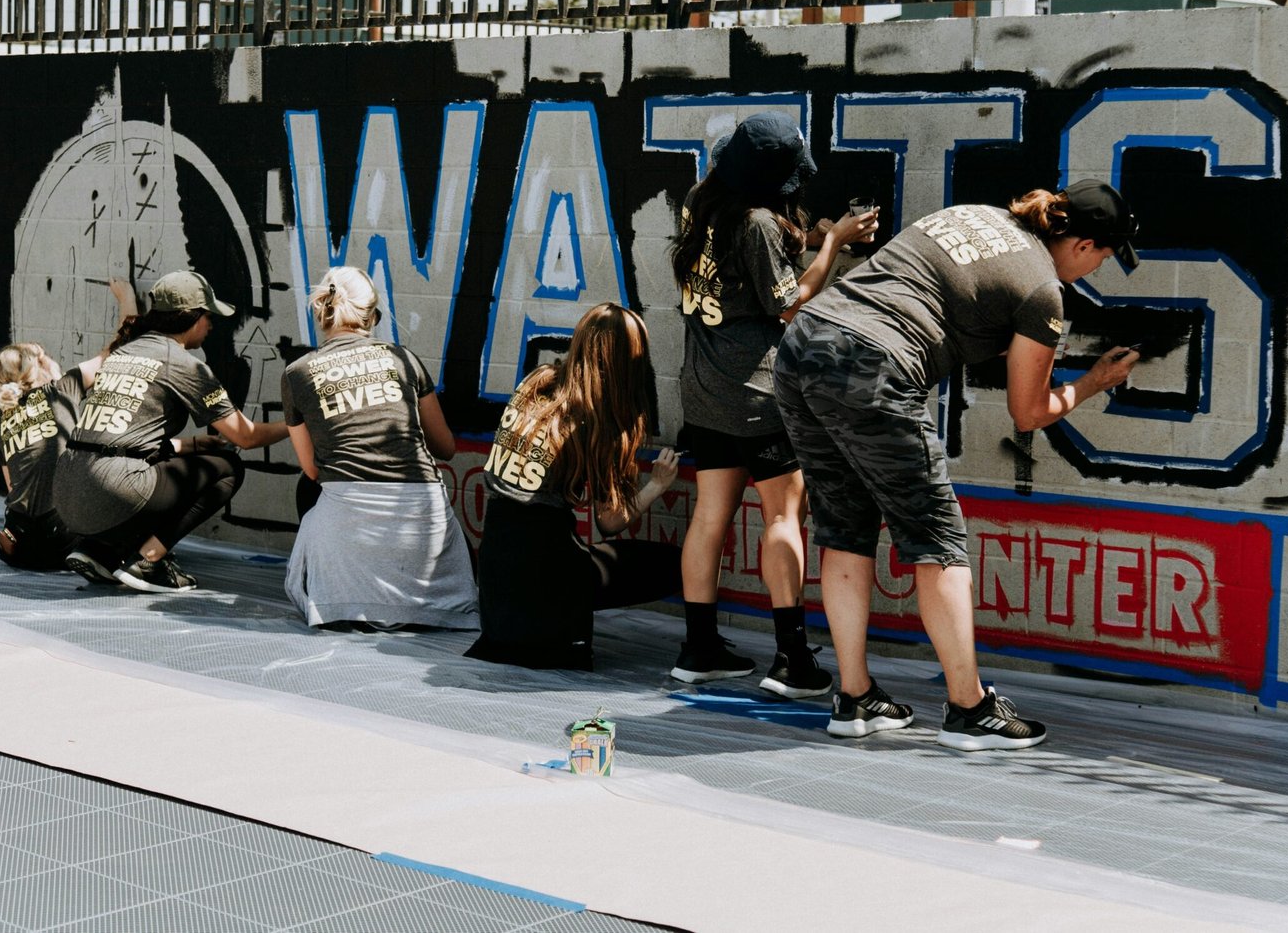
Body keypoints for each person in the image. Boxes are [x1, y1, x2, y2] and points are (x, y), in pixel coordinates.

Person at [773, 180, 1142, 749]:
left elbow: (951, 298)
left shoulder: (973, 213)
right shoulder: (1043, 288)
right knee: (937, 541)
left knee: (845, 529)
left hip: (804, 347)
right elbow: (1028, 411)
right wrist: (1093, 383)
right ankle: (969, 708)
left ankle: (856, 698)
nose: (1094, 270)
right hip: (875, 365)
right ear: (1085, 244)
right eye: (1103, 257)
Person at [668, 112, 878, 697]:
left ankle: (699, 647)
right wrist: (833, 242)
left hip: (704, 394)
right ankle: (790, 660)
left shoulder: (702, 202)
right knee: (783, 517)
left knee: (710, 517)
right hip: (760, 399)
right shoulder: (758, 223)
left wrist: (818, 235)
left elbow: (753, 250)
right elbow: (792, 303)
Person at [465, 302, 681, 670]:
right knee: (677, 563)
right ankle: (703, 650)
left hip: (496, 582)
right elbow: (610, 523)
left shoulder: (537, 382)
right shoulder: (602, 418)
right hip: (548, 583)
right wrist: (656, 485)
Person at [54, 269, 289, 593]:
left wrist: (191, 445)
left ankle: (100, 549)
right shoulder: (183, 364)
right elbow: (245, 437)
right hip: (112, 488)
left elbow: (123, 438)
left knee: (146, 470)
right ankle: (148, 562)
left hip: (67, 493)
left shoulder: (125, 352)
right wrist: (296, 423)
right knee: (225, 467)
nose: (210, 325)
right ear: (192, 318)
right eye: (208, 316)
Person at [280, 267, 478, 631]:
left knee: (309, 485)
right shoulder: (404, 359)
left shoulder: (297, 373)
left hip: (349, 523)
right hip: (423, 521)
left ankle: (342, 582)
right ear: (372, 317)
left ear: (322, 314)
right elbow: (445, 448)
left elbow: (312, 469)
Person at [0, 281, 139, 571]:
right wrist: (127, 299)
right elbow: (120, 350)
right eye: (46, 357)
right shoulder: (61, 389)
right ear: (41, 370)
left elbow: (13, 486)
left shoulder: (5, 416)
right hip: (59, 542)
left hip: (17, 547)